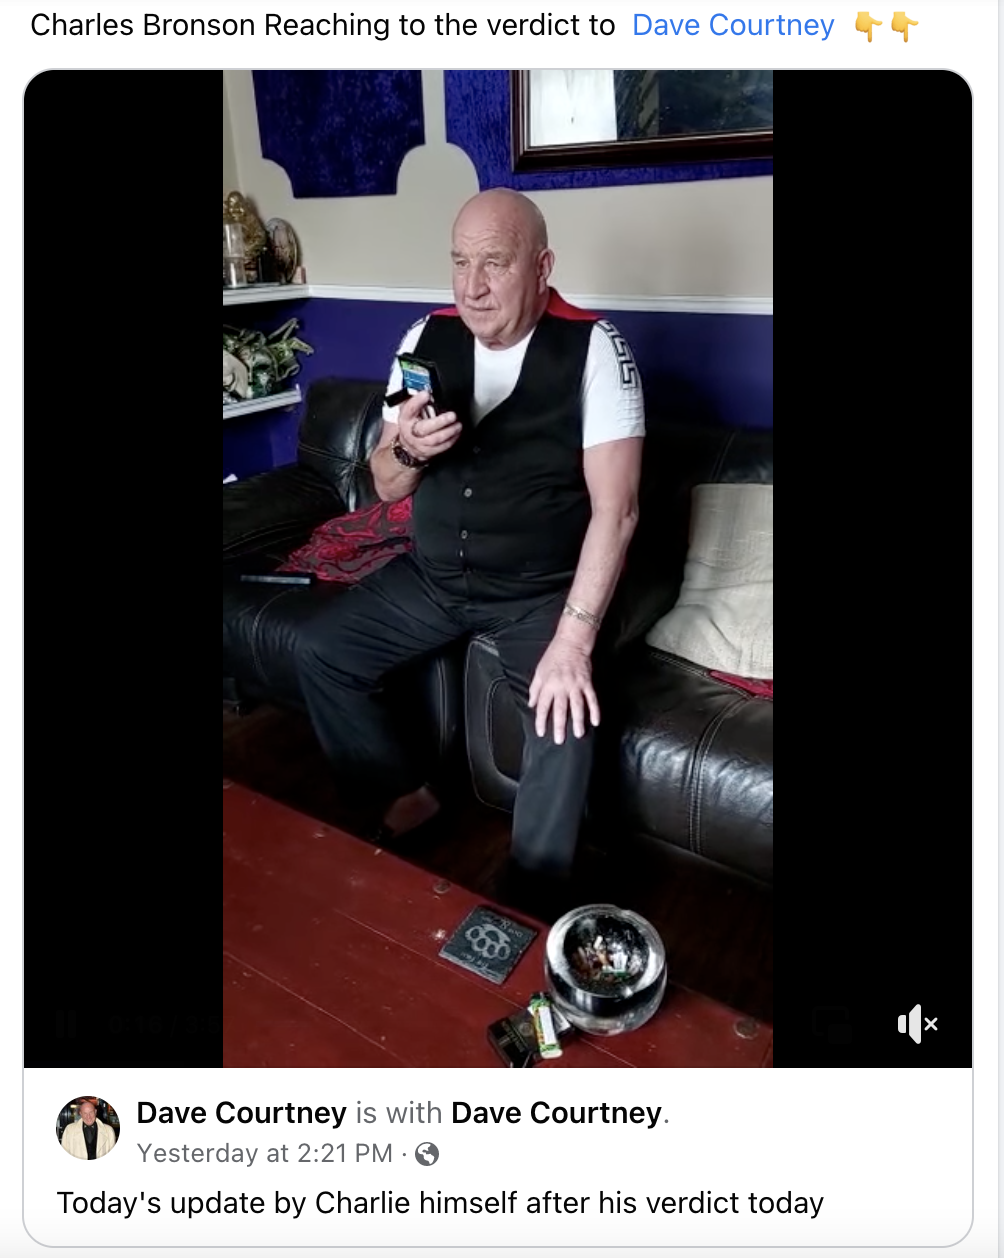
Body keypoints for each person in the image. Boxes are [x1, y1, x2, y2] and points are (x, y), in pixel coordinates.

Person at [296, 187, 644, 887]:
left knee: (563, 714)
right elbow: (386, 484)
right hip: (432, 577)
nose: (472, 287)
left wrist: (573, 642)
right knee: (321, 650)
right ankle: (405, 794)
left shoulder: (595, 349)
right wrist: (409, 450)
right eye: (459, 262)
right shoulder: (424, 339)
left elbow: (619, 511)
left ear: (541, 267)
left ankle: (532, 890)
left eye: (495, 263)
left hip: (535, 593)